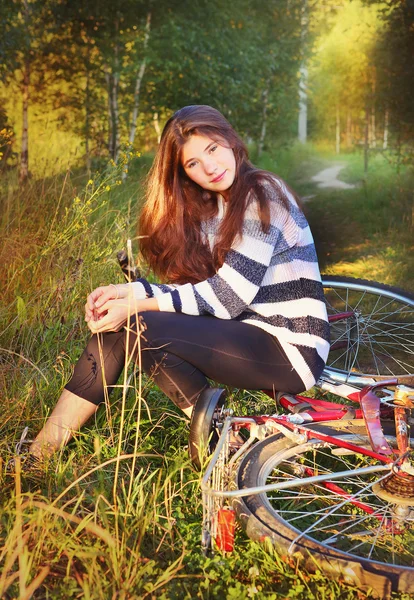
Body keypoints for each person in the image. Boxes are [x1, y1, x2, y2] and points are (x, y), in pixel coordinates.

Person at [28, 104, 330, 461]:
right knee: (134, 329)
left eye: (212, 149)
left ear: (230, 141)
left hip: (292, 349)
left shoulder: (261, 194)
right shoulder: (219, 205)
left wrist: (137, 303)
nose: (210, 167)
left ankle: (39, 455)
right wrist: (125, 292)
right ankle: (223, 444)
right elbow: (202, 292)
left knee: (137, 323)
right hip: (251, 332)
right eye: (193, 164)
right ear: (184, 173)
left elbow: (226, 299)